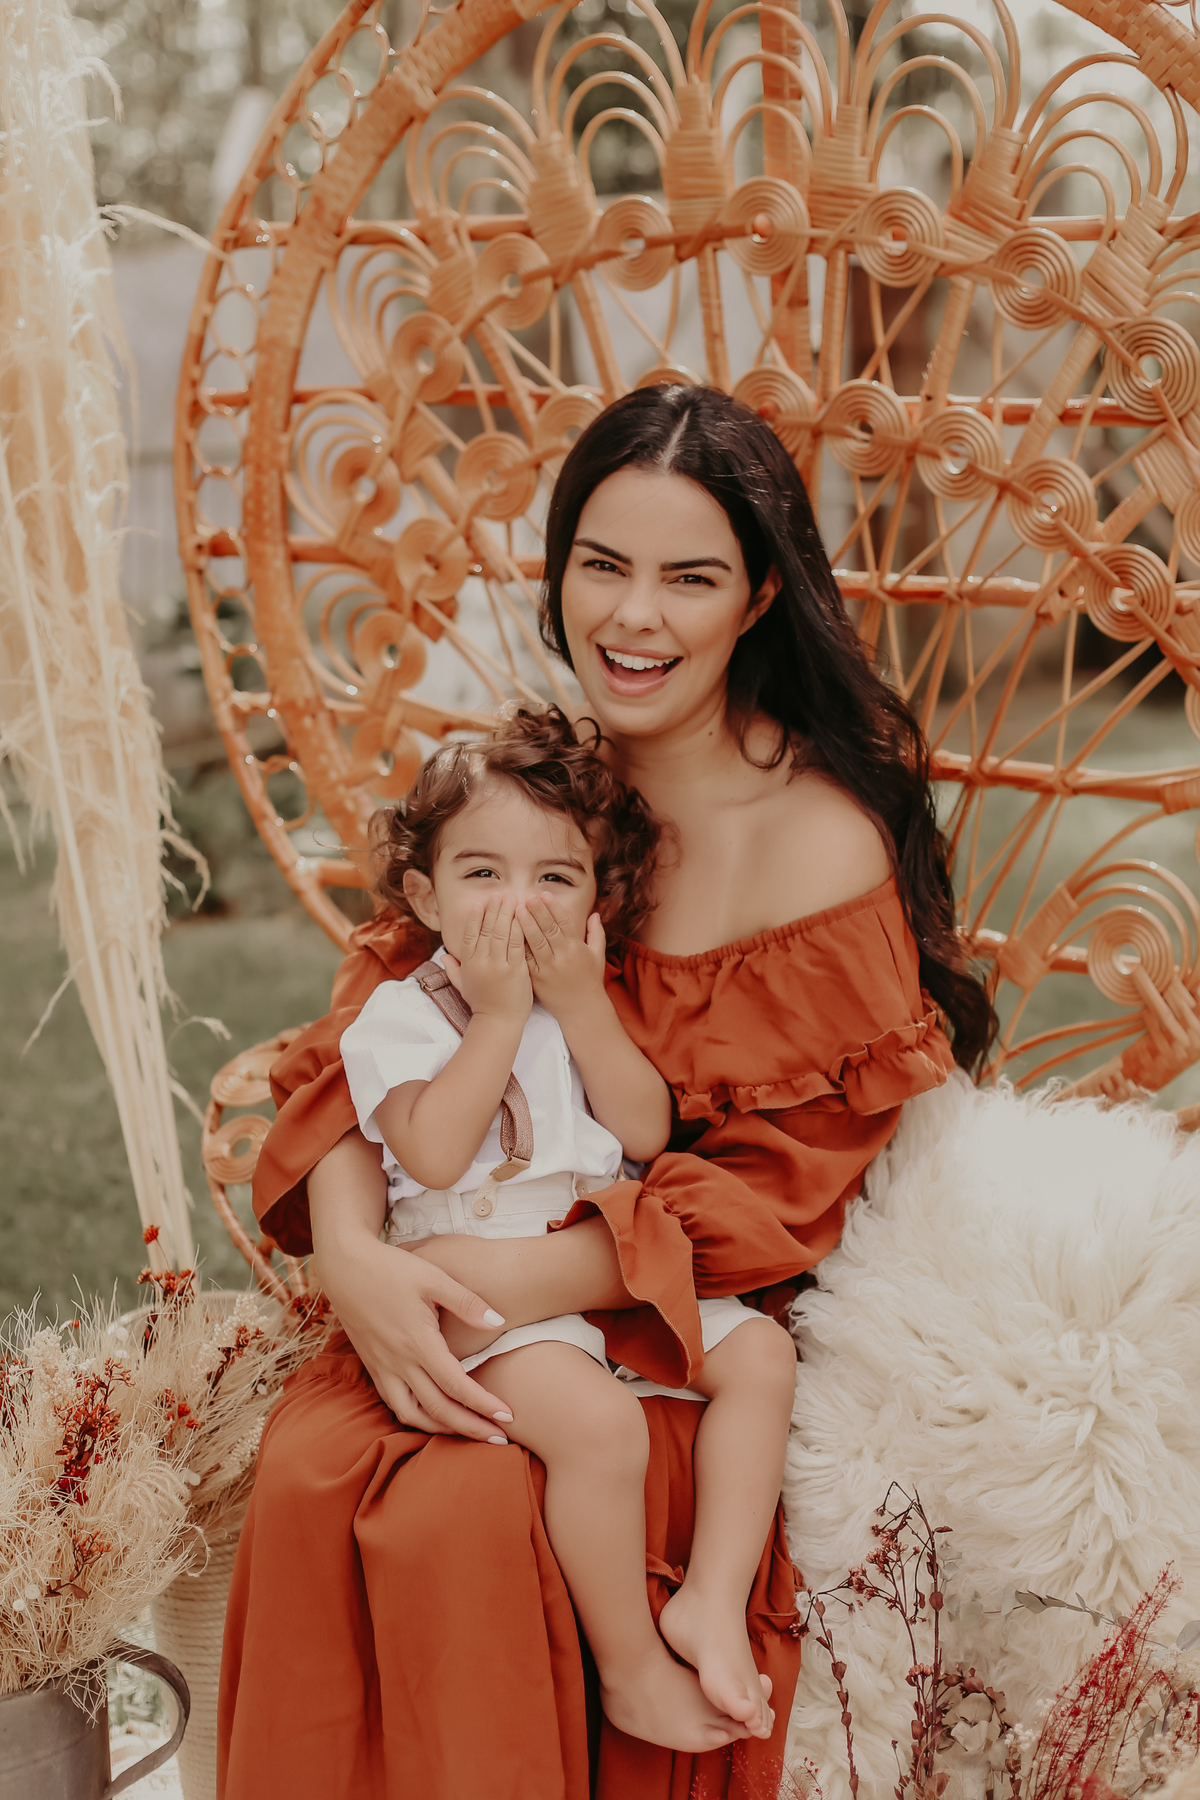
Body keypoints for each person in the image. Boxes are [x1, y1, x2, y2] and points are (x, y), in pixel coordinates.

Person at [219, 383, 994, 1800]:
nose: (635, 617)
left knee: (463, 1509)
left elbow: (782, 1194)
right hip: (446, 1276)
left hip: (654, 1324)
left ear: (760, 596)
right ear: (559, 569)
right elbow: (364, 1038)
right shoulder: (535, 795)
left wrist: (515, 1277)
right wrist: (352, 1254)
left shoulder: (814, 845)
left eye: (689, 577)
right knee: (318, 1465)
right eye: (602, 565)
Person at [340, 706, 798, 1748]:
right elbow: (433, 1153)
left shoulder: (584, 1000)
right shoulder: (403, 1015)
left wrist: (582, 1008)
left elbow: (644, 1129)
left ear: (596, 900)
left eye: (556, 876)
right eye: (483, 873)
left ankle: (711, 1599)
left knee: (763, 1359)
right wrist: (499, 1017)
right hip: (471, 1284)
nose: (519, 904)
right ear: (426, 895)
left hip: (594, 1264)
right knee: (602, 1428)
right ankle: (630, 1667)